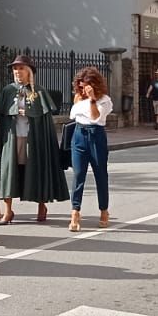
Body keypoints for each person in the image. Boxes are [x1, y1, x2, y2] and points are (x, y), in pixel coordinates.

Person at [0, 55, 69, 224]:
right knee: (9, 171)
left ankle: (41, 205)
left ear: (29, 71)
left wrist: (29, 113)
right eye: (15, 68)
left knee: (36, 168)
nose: (17, 72)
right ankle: (8, 210)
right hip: (13, 138)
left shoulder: (39, 91)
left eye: (21, 68)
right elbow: (3, 116)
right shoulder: (8, 90)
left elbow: (44, 120)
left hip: (33, 138)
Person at [67, 65, 112, 229]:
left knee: (100, 174)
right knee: (78, 174)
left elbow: (95, 118)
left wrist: (92, 99)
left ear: (94, 84)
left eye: (85, 85)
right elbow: (73, 116)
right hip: (79, 135)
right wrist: (82, 98)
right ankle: (75, 213)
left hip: (96, 136)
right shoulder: (79, 99)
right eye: (79, 85)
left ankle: (104, 210)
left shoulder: (105, 100)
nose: (82, 89)